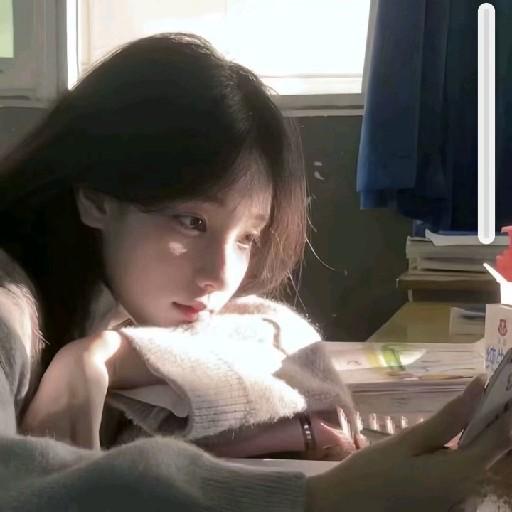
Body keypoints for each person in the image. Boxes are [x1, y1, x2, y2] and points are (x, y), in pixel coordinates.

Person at [0, 32, 510, 511]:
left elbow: (278, 334)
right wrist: (323, 497)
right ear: (96, 196)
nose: (221, 275)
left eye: (246, 237)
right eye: (192, 221)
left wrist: (104, 355)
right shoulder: (7, 306)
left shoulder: (110, 290)